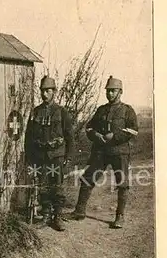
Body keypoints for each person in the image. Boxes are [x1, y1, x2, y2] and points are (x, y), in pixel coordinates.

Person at [72, 75, 138, 228]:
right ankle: (79, 211)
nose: (110, 94)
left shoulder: (127, 111)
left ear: (120, 92)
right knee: (88, 178)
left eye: (113, 91)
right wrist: (95, 135)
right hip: (100, 152)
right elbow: (89, 127)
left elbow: (133, 130)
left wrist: (114, 136)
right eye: (108, 91)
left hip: (120, 152)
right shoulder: (101, 110)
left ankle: (119, 217)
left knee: (122, 183)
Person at [25, 75, 74, 231]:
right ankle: (46, 215)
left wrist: (69, 157)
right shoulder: (35, 112)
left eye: (48, 91)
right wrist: (29, 158)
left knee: (58, 187)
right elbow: (29, 137)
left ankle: (57, 216)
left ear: (54, 92)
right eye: (43, 91)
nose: (45, 94)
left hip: (57, 156)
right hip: (41, 157)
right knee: (44, 186)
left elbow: (70, 137)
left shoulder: (61, 112)